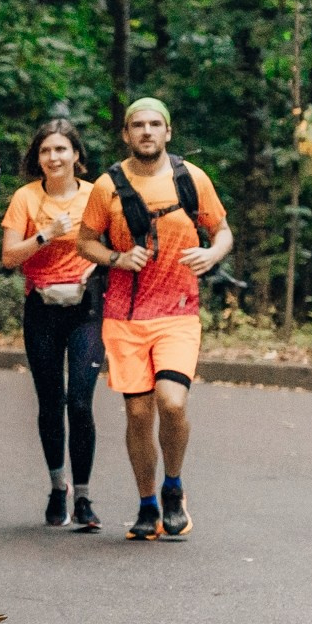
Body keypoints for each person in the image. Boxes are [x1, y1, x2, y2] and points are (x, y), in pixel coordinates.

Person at [73, 98, 232, 542]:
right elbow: (85, 242)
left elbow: (222, 231)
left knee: (172, 402)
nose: (146, 131)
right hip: (124, 316)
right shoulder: (108, 186)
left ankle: (174, 487)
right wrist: (118, 257)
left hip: (178, 311)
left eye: (154, 124)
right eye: (138, 125)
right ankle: (147, 504)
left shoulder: (190, 178)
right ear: (126, 134)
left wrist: (212, 253)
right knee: (139, 414)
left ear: (168, 132)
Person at [0, 119, 104, 532]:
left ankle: (83, 496)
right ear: (37, 159)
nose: (53, 157)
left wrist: (93, 269)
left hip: (85, 307)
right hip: (42, 308)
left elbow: (112, 244)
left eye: (61, 150)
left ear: (76, 155)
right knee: (50, 401)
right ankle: (57, 487)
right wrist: (45, 234)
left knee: (80, 401)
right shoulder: (26, 198)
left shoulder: (97, 194)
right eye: (46, 151)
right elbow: (8, 257)